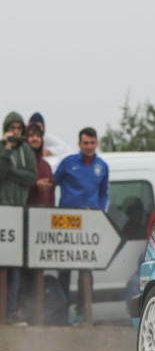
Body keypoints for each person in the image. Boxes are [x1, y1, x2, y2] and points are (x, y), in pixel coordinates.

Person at [54, 127, 109, 324]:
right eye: (85, 143)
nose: (89, 146)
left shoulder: (102, 166)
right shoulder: (68, 162)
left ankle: (83, 313)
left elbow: (104, 194)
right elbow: (52, 183)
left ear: (97, 143)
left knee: (86, 270)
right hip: (67, 223)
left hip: (89, 223)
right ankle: (62, 312)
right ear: (79, 144)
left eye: (92, 143)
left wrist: (100, 214)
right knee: (64, 268)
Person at [1, 112, 37, 324]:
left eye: (18, 128)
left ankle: (11, 311)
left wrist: (10, 172)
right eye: (11, 128)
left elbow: (31, 177)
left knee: (14, 268)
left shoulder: (26, 151)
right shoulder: (1, 148)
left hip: (18, 214)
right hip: (2, 213)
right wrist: (6, 149)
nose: (15, 132)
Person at [25, 122, 56, 206]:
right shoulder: (21, 163)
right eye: (31, 136)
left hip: (44, 212)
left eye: (38, 136)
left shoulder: (46, 166)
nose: (35, 139)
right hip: (23, 211)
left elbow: (51, 195)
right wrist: (35, 187)